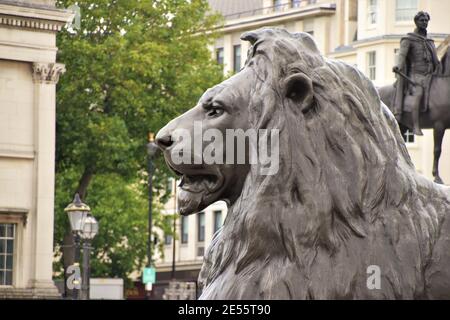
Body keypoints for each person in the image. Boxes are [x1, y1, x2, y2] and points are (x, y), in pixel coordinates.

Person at [393, 11, 439, 136]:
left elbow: (435, 59)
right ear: (416, 22)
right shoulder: (409, 39)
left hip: (431, 75)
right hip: (415, 75)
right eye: (421, 20)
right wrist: (398, 65)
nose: (424, 22)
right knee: (418, 93)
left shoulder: (430, 41)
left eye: (426, 20)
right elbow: (402, 55)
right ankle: (416, 126)